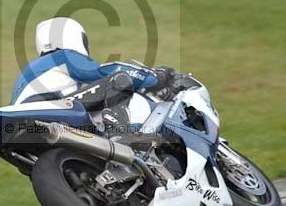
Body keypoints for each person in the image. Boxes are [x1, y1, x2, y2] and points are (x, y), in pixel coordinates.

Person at [10, 17, 177, 129]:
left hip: (21, 126)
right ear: (74, 37)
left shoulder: (31, 72)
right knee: (118, 80)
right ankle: (119, 134)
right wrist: (155, 78)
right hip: (50, 110)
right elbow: (102, 73)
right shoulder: (63, 56)